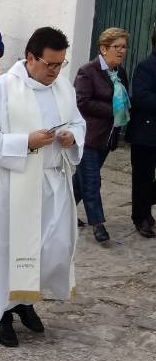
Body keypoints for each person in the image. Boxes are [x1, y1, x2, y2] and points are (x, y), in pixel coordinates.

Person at [0, 27, 86, 348]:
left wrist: (71, 136)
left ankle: (24, 301)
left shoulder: (62, 87)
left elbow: (77, 121)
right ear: (31, 57)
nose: (55, 71)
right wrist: (26, 142)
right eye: (50, 64)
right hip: (12, 183)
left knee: (47, 246)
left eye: (60, 64)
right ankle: (1, 314)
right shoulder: (3, 88)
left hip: (51, 181)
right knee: (6, 250)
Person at [72, 28, 130, 243]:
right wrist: (113, 110)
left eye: (124, 47)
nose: (122, 51)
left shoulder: (119, 72)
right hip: (87, 137)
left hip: (107, 138)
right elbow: (81, 102)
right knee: (92, 182)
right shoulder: (88, 71)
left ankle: (59, 210)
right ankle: (98, 225)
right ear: (103, 49)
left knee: (80, 183)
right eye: (117, 47)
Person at [129, 27, 156, 239]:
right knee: (142, 178)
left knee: (146, 184)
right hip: (145, 134)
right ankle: (141, 218)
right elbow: (140, 97)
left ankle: (146, 203)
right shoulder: (146, 67)